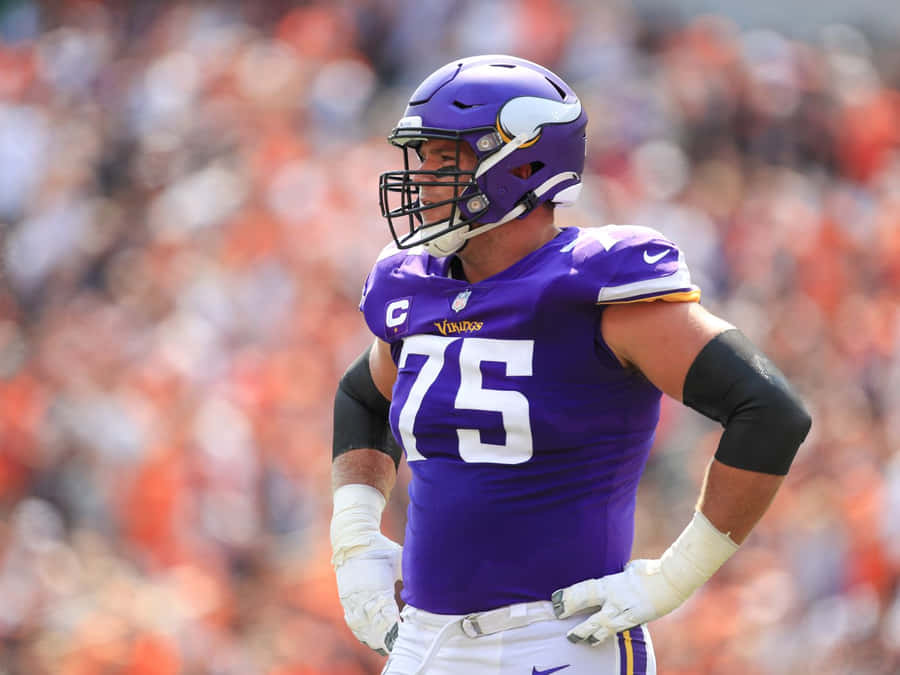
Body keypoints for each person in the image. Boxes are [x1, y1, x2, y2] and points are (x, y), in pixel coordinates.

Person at [330, 54, 811, 675]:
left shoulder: (591, 286)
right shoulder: (415, 288)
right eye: (420, 157)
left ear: (523, 166)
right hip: (428, 642)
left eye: (446, 157)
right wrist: (355, 539)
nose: (421, 178)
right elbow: (361, 398)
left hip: (560, 640)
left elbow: (769, 411)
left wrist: (676, 575)